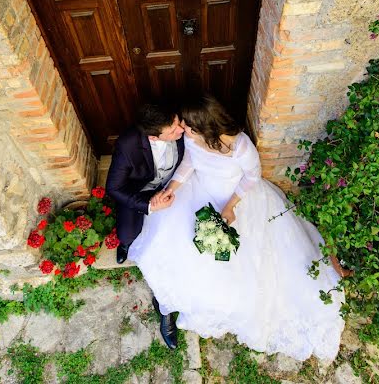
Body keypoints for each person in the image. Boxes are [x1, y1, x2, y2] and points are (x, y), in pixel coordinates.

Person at [128, 95, 346, 362]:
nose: (182, 130)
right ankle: (168, 301)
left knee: (238, 264)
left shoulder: (241, 146)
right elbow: (189, 164)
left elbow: (252, 177)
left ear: (204, 127)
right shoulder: (192, 137)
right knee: (174, 244)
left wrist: (230, 207)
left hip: (237, 201)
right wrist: (172, 188)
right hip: (200, 192)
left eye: (187, 126)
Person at [104, 103, 185, 348]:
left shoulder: (182, 126)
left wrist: (171, 190)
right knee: (128, 233)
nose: (181, 130)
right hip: (143, 192)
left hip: (177, 187)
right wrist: (149, 204)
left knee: (177, 247)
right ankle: (126, 244)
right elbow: (114, 188)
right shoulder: (128, 145)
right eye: (172, 131)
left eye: (177, 122)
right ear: (153, 136)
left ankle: (166, 306)